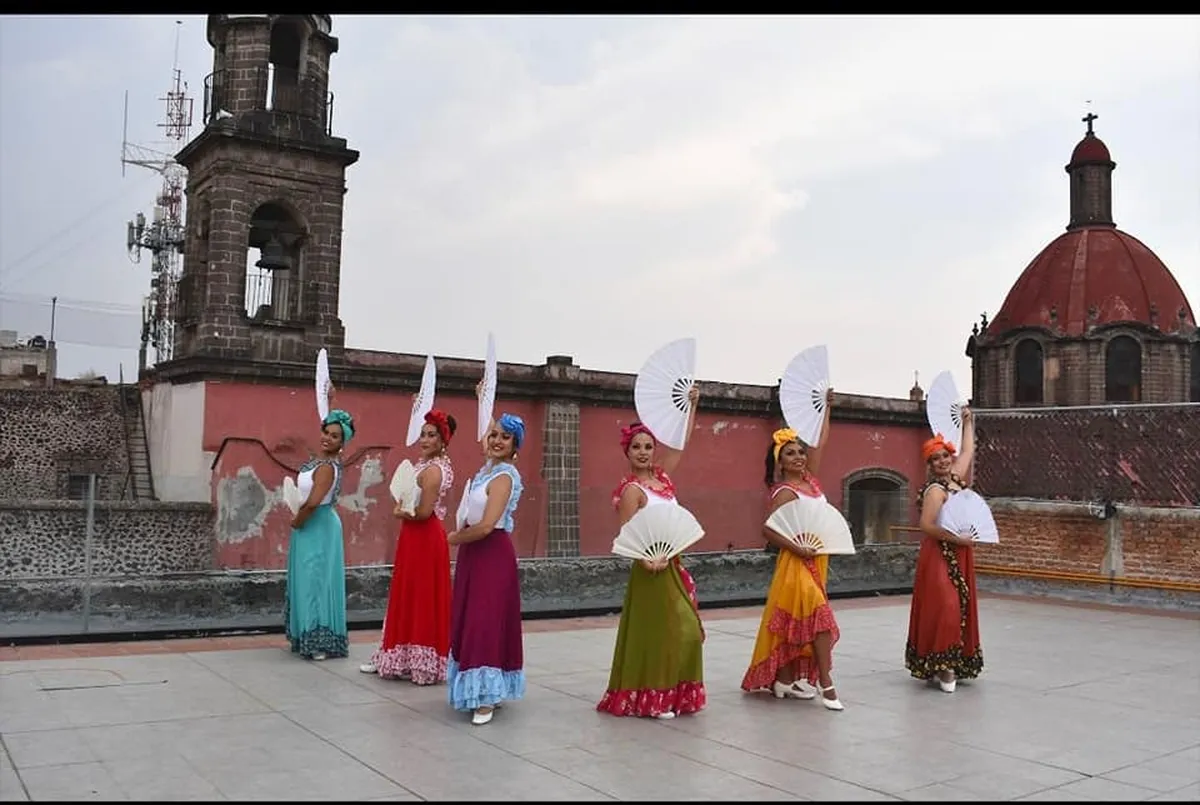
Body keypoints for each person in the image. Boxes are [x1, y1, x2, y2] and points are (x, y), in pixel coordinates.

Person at [597, 386, 707, 720]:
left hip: (672, 563)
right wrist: (647, 559)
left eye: (648, 446)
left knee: (685, 630)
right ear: (627, 452)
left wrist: (692, 406)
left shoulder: (663, 480)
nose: (643, 452)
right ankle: (654, 699)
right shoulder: (632, 491)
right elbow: (628, 535)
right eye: (636, 447)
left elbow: (681, 444)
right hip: (649, 568)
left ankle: (674, 693)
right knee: (663, 633)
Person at [741, 389, 845, 711]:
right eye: (790, 454)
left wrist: (825, 410)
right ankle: (827, 685)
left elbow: (820, 444)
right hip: (795, 563)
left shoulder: (811, 484)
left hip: (819, 560)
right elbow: (768, 530)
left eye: (800, 452)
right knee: (820, 622)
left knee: (799, 623)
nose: (799, 457)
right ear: (779, 462)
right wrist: (797, 547)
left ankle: (784, 679)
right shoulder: (784, 492)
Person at [359, 409, 456, 684]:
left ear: (442, 440)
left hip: (425, 536)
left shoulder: (435, 470)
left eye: (431, 435)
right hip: (414, 537)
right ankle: (397, 656)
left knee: (422, 596)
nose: (424, 440)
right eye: (423, 434)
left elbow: (424, 512)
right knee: (407, 593)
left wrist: (400, 512)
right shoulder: (424, 465)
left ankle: (422, 662)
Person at [444, 409, 527, 726]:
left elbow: (488, 524)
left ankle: (487, 697)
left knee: (485, 622)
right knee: (470, 618)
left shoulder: (505, 477)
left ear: (515, 445)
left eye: (505, 437)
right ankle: (479, 688)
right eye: (494, 434)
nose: (496, 440)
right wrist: (482, 400)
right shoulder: (485, 473)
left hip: (491, 552)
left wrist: (453, 538)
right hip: (473, 554)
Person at [905, 408, 981, 693]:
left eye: (945, 456)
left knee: (960, 605)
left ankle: (951, 661)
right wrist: (958, 540)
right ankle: (943, 665)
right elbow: (926, 525)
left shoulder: (957, 480)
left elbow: (969, 449)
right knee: (946, 606)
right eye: (935, 459)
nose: (942, 462)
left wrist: (968, 422)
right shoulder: (935, 490)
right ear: (929, 463)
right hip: (940, 553)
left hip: (960, 551)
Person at [285, 391, 354, 661]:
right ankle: (306, 634)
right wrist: (331, 400)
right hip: (309, 525)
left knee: (316, 580)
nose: (327, 437)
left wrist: (297, 521)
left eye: (335, 435)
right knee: (307, 579)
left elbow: (313, 502)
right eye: (326, 431)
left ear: (342, 442)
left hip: (318, 524)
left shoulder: (327, 467)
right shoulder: (319, 461)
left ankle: (319, 640)